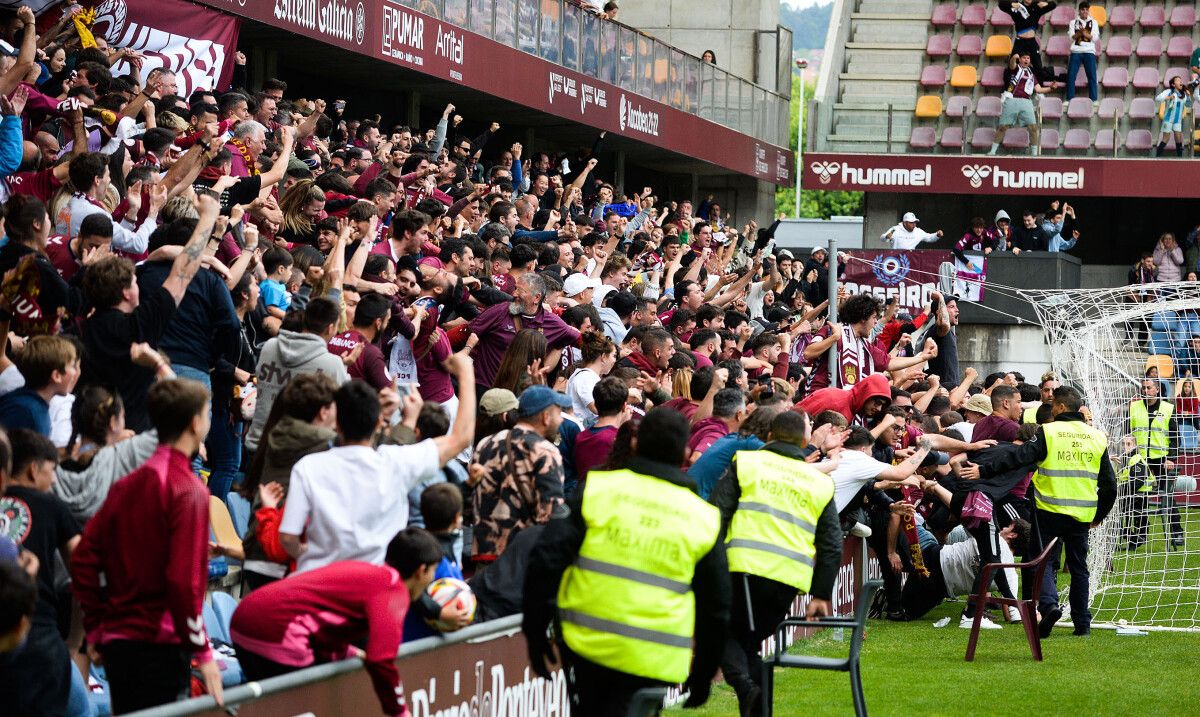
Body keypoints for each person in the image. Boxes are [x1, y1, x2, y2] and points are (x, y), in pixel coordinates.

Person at [522, 407, 731, 715]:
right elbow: (717, 607)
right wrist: (703, 674)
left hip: (588, 646)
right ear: (685, 454)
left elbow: (547, 560)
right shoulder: (702, 517)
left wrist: (535, 629)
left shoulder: (597, 489)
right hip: (655, 656)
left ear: (635, 444)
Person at [72, 379, 225, 712]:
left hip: (118, 643)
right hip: (161, 646)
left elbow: (83, 558)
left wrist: (97, 627)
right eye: (208, 413)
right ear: (195, 423)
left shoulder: (128, 484)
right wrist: (204, 654)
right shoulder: (189, 490)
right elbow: (183, 583)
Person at [229, 528, 469, 717]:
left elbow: (325, 624)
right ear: (421, 570)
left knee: (273, 707)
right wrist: (399, 711)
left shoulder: (370, 574)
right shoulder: (393, 591)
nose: (431, 582)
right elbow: (381, 660)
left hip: (244, 619)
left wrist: (348, 652)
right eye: (433, 573)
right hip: (277, 631)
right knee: (305, 706)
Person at [280, 358, 476, 574]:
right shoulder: (395, 462)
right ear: (377, 423)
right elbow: (461, 438)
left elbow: (288, 537)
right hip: (374, 582)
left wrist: (308, 553)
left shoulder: (308, 466)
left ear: (336, 425)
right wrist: (465, 371)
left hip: (316, 579)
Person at [711, 411, 842, 716]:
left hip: (742, 568)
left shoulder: (747, 463)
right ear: (806, 441)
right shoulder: (819, 482)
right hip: (787, 581)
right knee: (749, 644)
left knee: (722, 632)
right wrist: (821, 594)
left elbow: (716, 514)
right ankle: (756, 703)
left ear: (769, 436)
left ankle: (745, 687)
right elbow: (832, 544)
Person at [975, 386, 1116, 637]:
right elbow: (1109, 484)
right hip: (1082, 513)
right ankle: (1082, 624)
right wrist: (1099, 514)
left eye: (1053, 405)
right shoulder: (1097, 437)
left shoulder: (1047, 432)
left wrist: (983, 470)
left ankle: (1049, 605)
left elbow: (1017, 457)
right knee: (1079, 567)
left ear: (1061, 407)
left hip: (1049, 509)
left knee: (1046, 562)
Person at [0, 428, 81, 717]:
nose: (55, 480)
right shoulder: (52, 505)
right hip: (37, 638)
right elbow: (83, 571)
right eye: (52, 471)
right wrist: (73, 642)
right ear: (33, 470)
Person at [468, 385, 569, 564]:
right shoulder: (545, 451)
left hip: (484, 553)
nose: (561, 420)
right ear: (546, 417)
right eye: (558, 414)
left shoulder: (486, 443)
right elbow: (550, 513)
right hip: (521, 558)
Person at [1126, 377, 1183, 548]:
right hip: (1140, 460)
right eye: (1143, 388)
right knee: (1138, 498)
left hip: (1162, 459)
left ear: (1157, 390)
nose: (1145, 390)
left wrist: (1172, 458)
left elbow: (1175, 438)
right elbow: (1128, 433)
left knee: (1168, 497)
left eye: (1149, 387)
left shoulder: (1168, 408)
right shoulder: (1134, 407)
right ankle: (1141, 533)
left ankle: (1177, 532)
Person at [0, 335, 79, 436]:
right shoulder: (25, 412)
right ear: (56, 376)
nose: (75, 372)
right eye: (72, 366)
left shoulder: (32, 407)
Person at [989, 52, 1057, 156]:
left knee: (1033, 128)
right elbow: (1012, 64)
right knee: (1003, 127)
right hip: (1012, 99)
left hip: (1026, 101)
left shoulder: (1031, 74)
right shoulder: (1016, 69)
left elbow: (1038, 89)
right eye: (1024, 58)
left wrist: (1050, 88)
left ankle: (1034, 154)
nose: (1026, 60)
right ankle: (992, 151)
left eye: (1028, 58)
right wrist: (1013, 58)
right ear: (1020, 60)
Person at [1115, 433, 1153, 550]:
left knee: (1115, 512)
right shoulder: (1123, 459)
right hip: (1130, 493)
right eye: (1123, 444)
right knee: (1114, 512)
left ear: (1135, 446)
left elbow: (1138, 481)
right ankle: (1131, 536)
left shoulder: (1136, 458)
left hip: (1140, 493)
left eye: (1128, 444)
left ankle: (1136, 537)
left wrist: (1120, 491)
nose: (1125, 447)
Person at [925, 291, 961, 387]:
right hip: (944, 388)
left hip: (951, 386)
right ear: (939, 311)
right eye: (951, 307)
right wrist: (941, 297)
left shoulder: (948, 332)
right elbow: (944, 323)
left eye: (956, 306)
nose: (957, 310)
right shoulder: (938, 328)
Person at [1065, 1, 1099, 102]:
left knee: (1092, 76)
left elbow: (1095, 38)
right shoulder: (1073, 22)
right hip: (1076, 51)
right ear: (1079, 11)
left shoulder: (1094, 22)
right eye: (1082, 9)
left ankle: (1093, 100)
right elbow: (1072, 38)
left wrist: (1084, 33)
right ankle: (1070, 98)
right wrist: (1079, 33)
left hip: (1089, 51)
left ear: (1088, 11)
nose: (1084, 11)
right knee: (1071, 75)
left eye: (1086, 10)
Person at [1154, 77, 1192, 158]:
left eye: (1181, 80)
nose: (1180, 82)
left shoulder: (1183, 94)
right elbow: (1157, 98)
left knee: (1178, 139)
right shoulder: (1168, 92)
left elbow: (1188, 105)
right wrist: (1168, 97)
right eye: (1178, 80)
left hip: (1177, 120)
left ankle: (1180, 159)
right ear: (1173, 84)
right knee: (1166, 139)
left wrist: (1188, 96)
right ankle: (1157, 157)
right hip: (1168, 119)